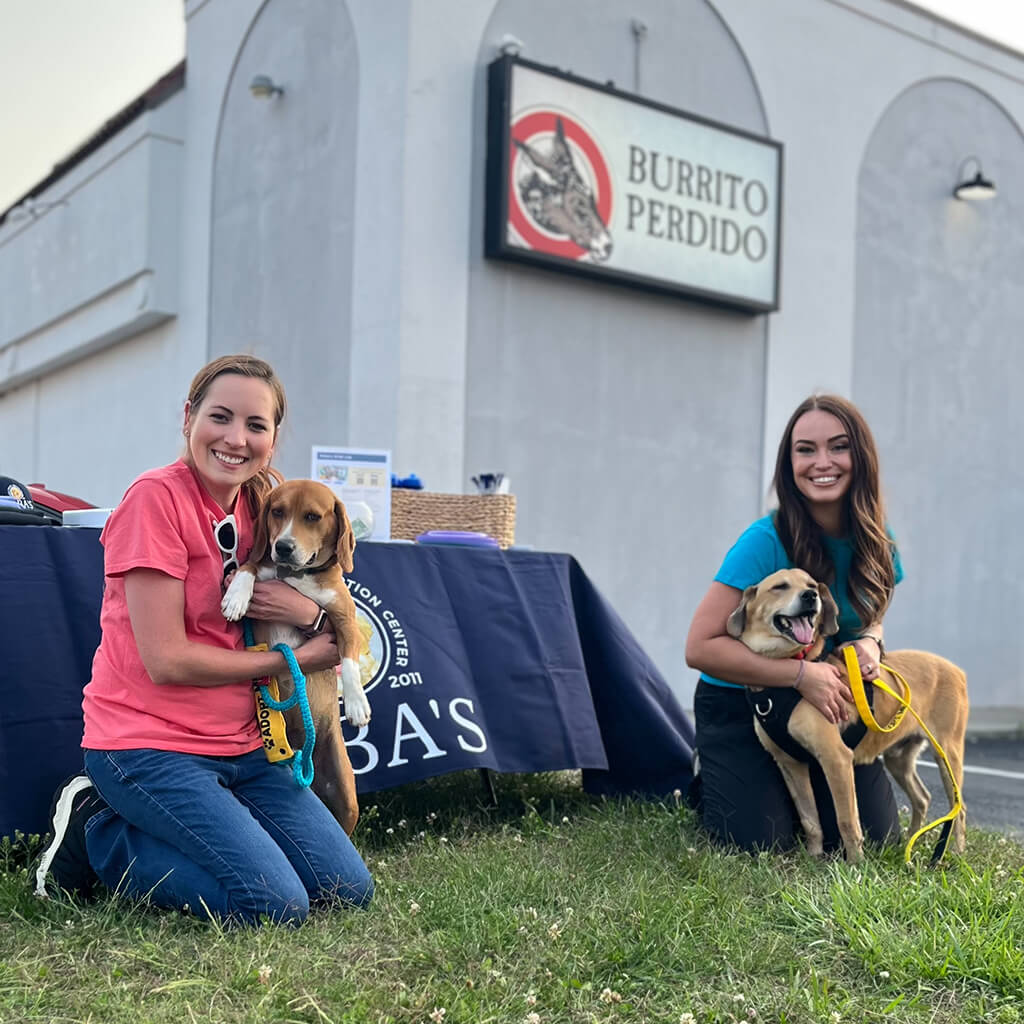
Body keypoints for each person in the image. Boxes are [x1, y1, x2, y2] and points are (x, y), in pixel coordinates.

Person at [36, 354, 373, 924]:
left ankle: (206, 832)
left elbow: (329, 597)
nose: (236, 439)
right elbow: (167, 661)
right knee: (274, 904)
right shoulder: (154, 500)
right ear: (189, 416)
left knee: (347, 889)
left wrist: (309, 618)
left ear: (273, 438)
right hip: (148, 744)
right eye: (220, 417)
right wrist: (293, 658)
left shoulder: (266, 506)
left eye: (255, 425)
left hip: (245, 744)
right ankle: (97, 831)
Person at [685, 393, 902, 853]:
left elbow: (873, 615)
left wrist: (871, 640)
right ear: (790, 464)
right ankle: (717, 775)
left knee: (876, 839)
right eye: (806, 450)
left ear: (861, 457)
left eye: (838, 446)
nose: (822, 462)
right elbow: (700, 646)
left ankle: (790, 783)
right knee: (762, 840)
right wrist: (800, 674)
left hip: (824, 705)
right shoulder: (764, 540)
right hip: (743, 701)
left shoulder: (878, 540)